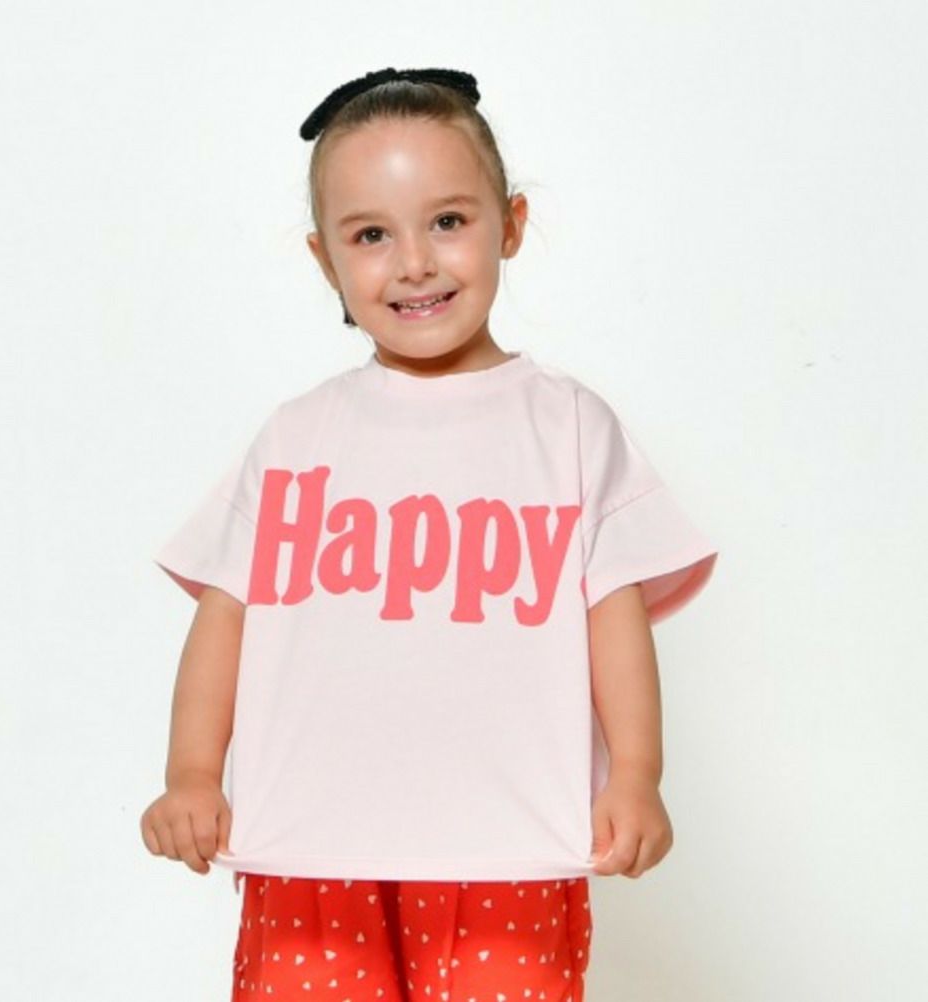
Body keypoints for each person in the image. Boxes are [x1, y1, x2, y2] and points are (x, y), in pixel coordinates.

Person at [140, 66, 719, 1002]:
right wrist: (192, 774)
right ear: (325, 260)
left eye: (447, 221)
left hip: (509, 853)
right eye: (371, 235)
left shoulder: (568, 427)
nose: (414, 263)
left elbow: (612, 615)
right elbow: (226, 612)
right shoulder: (296, 436)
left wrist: (637, 775)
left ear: (511, 225)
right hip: (309, 849)